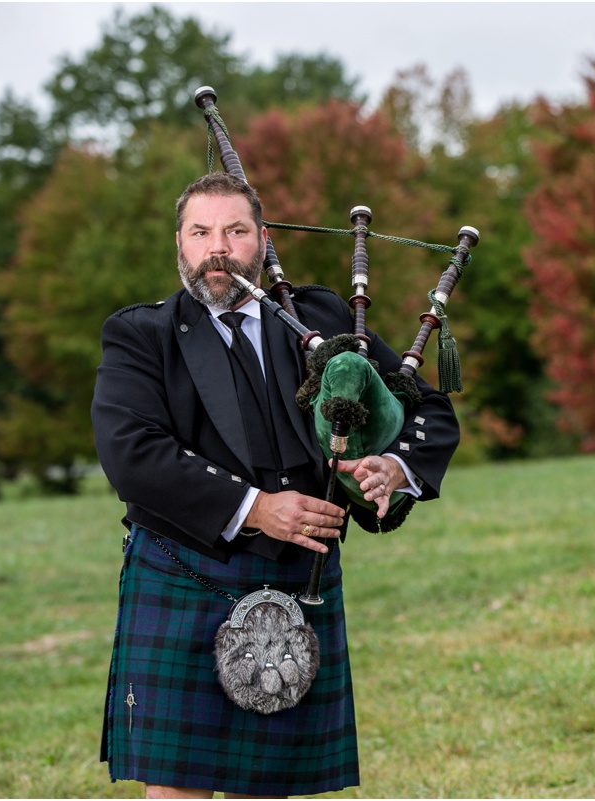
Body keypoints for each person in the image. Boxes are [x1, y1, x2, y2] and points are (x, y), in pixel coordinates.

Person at [91, 172, 459, 798]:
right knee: (175, 786)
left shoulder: (317, 319)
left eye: (235, 231)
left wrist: (392, 467)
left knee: (267, 786)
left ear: (262, 240)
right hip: (186, 572)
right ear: (179, 244)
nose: (219, 248)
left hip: (299, 576)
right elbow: (131, 454)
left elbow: (420, 407)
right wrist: (256, 508)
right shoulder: (143, 335)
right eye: (200, 232)